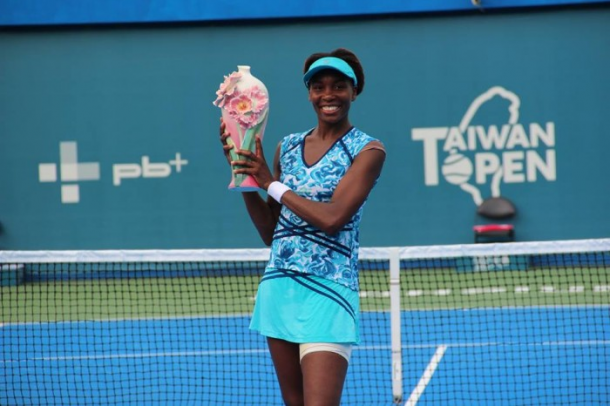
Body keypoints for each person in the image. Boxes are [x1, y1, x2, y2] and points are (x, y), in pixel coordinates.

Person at [220, 48, 385, 406]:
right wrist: (243, 172)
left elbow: (333, 218)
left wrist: (270, 183)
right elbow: (270, 232)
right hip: (280, 288)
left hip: (329, 290)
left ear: (354, 91)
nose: (328, 94)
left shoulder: (368, 151)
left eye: (339, 86)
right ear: (309, 92)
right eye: (319, 86)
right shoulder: (288, 146)